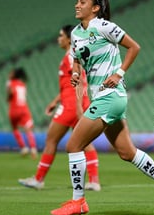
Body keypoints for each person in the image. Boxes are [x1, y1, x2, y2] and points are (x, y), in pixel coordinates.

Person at [50, 0, 154, 215]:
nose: (76, 5)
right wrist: (75, 73)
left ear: (95, 8)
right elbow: (76, 59)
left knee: (73, 146)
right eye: (76, 1)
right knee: (126, 152)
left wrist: (120, 73)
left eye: (82, 2)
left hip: (110, 96)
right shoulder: (75, 34)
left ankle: (78, 201)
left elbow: (134, 47)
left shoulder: (104, 26)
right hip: (104, 98)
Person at [18, 25, 101, 191]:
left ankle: (39, 179)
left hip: (71, 105)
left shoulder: (71, 56)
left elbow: (79, 82)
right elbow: (70, 84)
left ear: (69, 39)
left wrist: (76, 106)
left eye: (61, 35)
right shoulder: (74, 55)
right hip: (77, 102)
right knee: (84, 142)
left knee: (51, 140)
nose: (59, 38)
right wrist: (56, 101)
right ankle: (94, 181)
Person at [7, 67, 38, 159]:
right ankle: (33, 148)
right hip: (24, 108)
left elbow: (11, 93)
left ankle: (23, 147)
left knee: (15, 128)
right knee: (28, 129)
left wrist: (8, 97)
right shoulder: (22, 84)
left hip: (14, 109)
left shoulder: (11, 83)